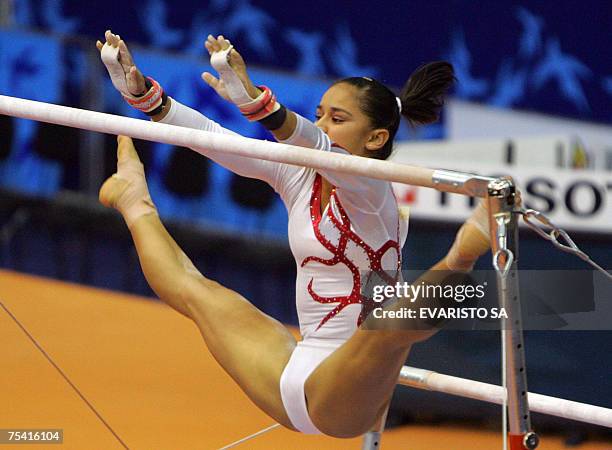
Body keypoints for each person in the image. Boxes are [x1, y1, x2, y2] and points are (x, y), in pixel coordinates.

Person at [96, 31, 491, 438]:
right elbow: (215, 139)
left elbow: (315, 142)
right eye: (319, 113)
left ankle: (460, 259)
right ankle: (134, 202)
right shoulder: (297, 174)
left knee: (393, 323)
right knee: (197, 292)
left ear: (375, 139)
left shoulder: (373, 192)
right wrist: (145, 95)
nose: (322, 124)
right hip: (290, 371)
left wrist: (255, 102)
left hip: (343, 399)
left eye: (338, 120)